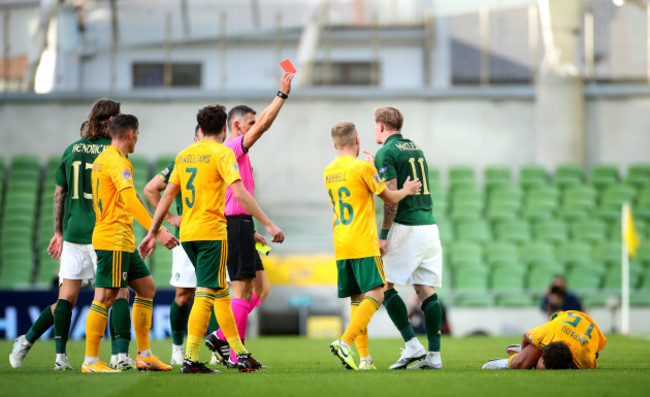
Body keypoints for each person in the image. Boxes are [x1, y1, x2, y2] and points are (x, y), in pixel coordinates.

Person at [138, 104, 285, 374]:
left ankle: (240, 355)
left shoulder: (185, 155)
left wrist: (153, 231)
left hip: (188, 234)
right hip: (212, 234)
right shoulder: (223, 153)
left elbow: (167, 195)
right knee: (206, 293)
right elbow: (239, 194)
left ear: (201, 129)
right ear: (225, 129)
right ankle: (191, 359)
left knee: (220, 293)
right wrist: (268, 223)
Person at [9, 99, 135, 371]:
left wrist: (58, 232)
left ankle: (51, 354)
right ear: (111, 120)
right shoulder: (113, 151)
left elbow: (59, 194)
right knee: (119, 293)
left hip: (74, 232)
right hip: (103, 232)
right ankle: (120, 356)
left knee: (66, 298)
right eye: (120, 116)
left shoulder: (72, 149)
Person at [204, 72, 294, 367]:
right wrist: (281, 94)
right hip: (234, 224)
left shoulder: (235, 155)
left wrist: (252, 228)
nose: (255, 129)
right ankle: (235, 354)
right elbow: (266, 125)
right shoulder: (232, 147)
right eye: (250, 124)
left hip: (241, 225)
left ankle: (221, 335)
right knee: (241, 289)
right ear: (237, 126)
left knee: (261, 288)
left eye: (254, 124)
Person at [83, 113, 179, 373]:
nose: (137, 138)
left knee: (147, 288)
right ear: (130, 134)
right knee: (104, 297)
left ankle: (145, 356)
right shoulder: (118, 162)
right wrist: (157, 231)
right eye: (137, 134)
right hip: (112, 238)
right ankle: (90, 362)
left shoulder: (103, 158)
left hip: (122, 239)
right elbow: (131, 200)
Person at [325, 122, 422, 370]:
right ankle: (345, 343)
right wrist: (408, 189)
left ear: (335, 145)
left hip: (341, 241)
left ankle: (365, 359)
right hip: (362, 241)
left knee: (358, 300)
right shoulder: (364, 168)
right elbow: (388, 197)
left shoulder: (328, 171)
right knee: (377, 293)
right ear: (357, 140)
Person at [365, 106, 444, 370]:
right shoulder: (414, 147)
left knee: (383, 285)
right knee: (425, 290)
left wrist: (384, 234)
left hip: (406, 225)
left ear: (381, 126)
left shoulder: (387, 151)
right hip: (429, 226)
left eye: (374, 125)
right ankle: (434, 356)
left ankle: (412, 345)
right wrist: (377, 165)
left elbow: (391, 198)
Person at [143, 125, 202, 365]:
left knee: (221, 294)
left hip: (218, 235)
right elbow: (150, 188)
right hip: (186, 237)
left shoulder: (223, 156)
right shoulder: (181, 160)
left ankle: (221, 348)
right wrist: (169, 218)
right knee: (183, 296)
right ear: (196, 137)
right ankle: (178, 348)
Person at [482, 310, 607, 370]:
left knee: (537, 365)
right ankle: (510, 360)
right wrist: (524, 351)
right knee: (519, 364)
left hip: (591, 329)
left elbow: (594, 353)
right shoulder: (546, 333)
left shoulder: (584, 361)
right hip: (564, 319)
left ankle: (528, 358)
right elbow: (526, 335)